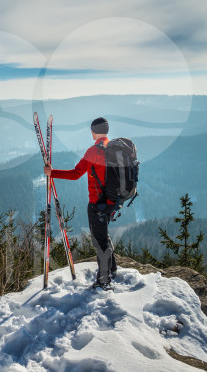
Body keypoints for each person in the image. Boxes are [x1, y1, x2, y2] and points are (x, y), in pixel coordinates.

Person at [44, 117, 117, 289]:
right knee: (103, 236)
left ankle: (104, 281)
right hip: (112, 201)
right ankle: (112, 268)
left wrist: (52, 172)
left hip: (97, 203)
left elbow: (75, 173)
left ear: (93, 131)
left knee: (99, 241)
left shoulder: (94, 151)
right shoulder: (113, 147)